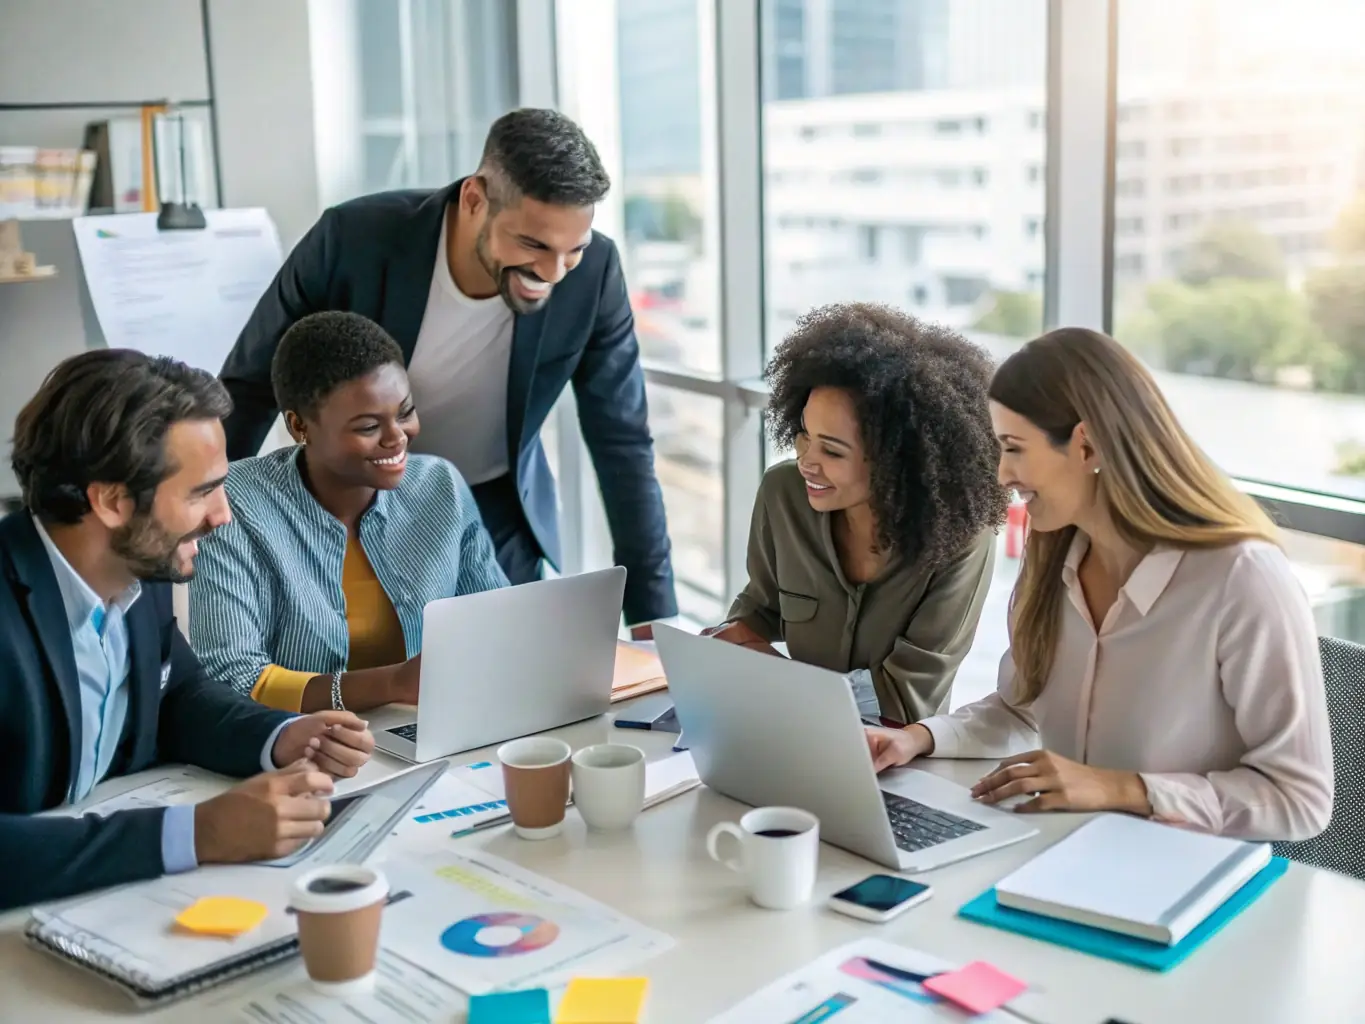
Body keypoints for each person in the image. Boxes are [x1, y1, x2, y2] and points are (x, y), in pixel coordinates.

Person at [865, 327, 1334, 842]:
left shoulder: (1242, 578)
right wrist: (919, 738)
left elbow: (1300, 800)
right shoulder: (1052, 556)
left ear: (1087, 445)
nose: (1002, 475)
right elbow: (1020, 709)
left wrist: (1123, 789)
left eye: (1014, 448)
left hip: (1186, 867)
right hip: (1064, 847)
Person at [218, 107, 673, 635]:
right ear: (475, 198)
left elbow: (622, 440)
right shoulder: (352, 239)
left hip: (495, 512)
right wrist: (211, 522)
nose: (553, 273)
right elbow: (249, 388)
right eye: (532, 244)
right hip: (349, 506)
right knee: (362, 670)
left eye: (573, 249)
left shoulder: (593, 274)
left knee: (516, 669)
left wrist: (652, 616)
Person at [0, 351, 376, 910]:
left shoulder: (137, 565)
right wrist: (196, 834)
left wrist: (281, 737)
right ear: (112, 501)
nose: (223, 515)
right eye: (202, 492)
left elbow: (177, 695)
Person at [190, 312, 509, 714]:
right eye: (368, 427)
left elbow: (500, 627)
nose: (397, 437)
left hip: (430, 727)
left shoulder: (440, 487)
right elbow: (231, 675)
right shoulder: (236, 504)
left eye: (405, 412)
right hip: (299, 738)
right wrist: (392, 684)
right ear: (300, 426)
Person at [706, 304, 1007, 724]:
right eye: (804, 436)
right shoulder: (783, 494)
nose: (807, 462)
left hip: (894, 751)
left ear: (895, 462)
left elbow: (906, 699)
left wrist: (772, 673)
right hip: (784, 727)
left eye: (832, 451)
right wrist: (726, 641)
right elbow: (762, 606)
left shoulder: (959, 538)